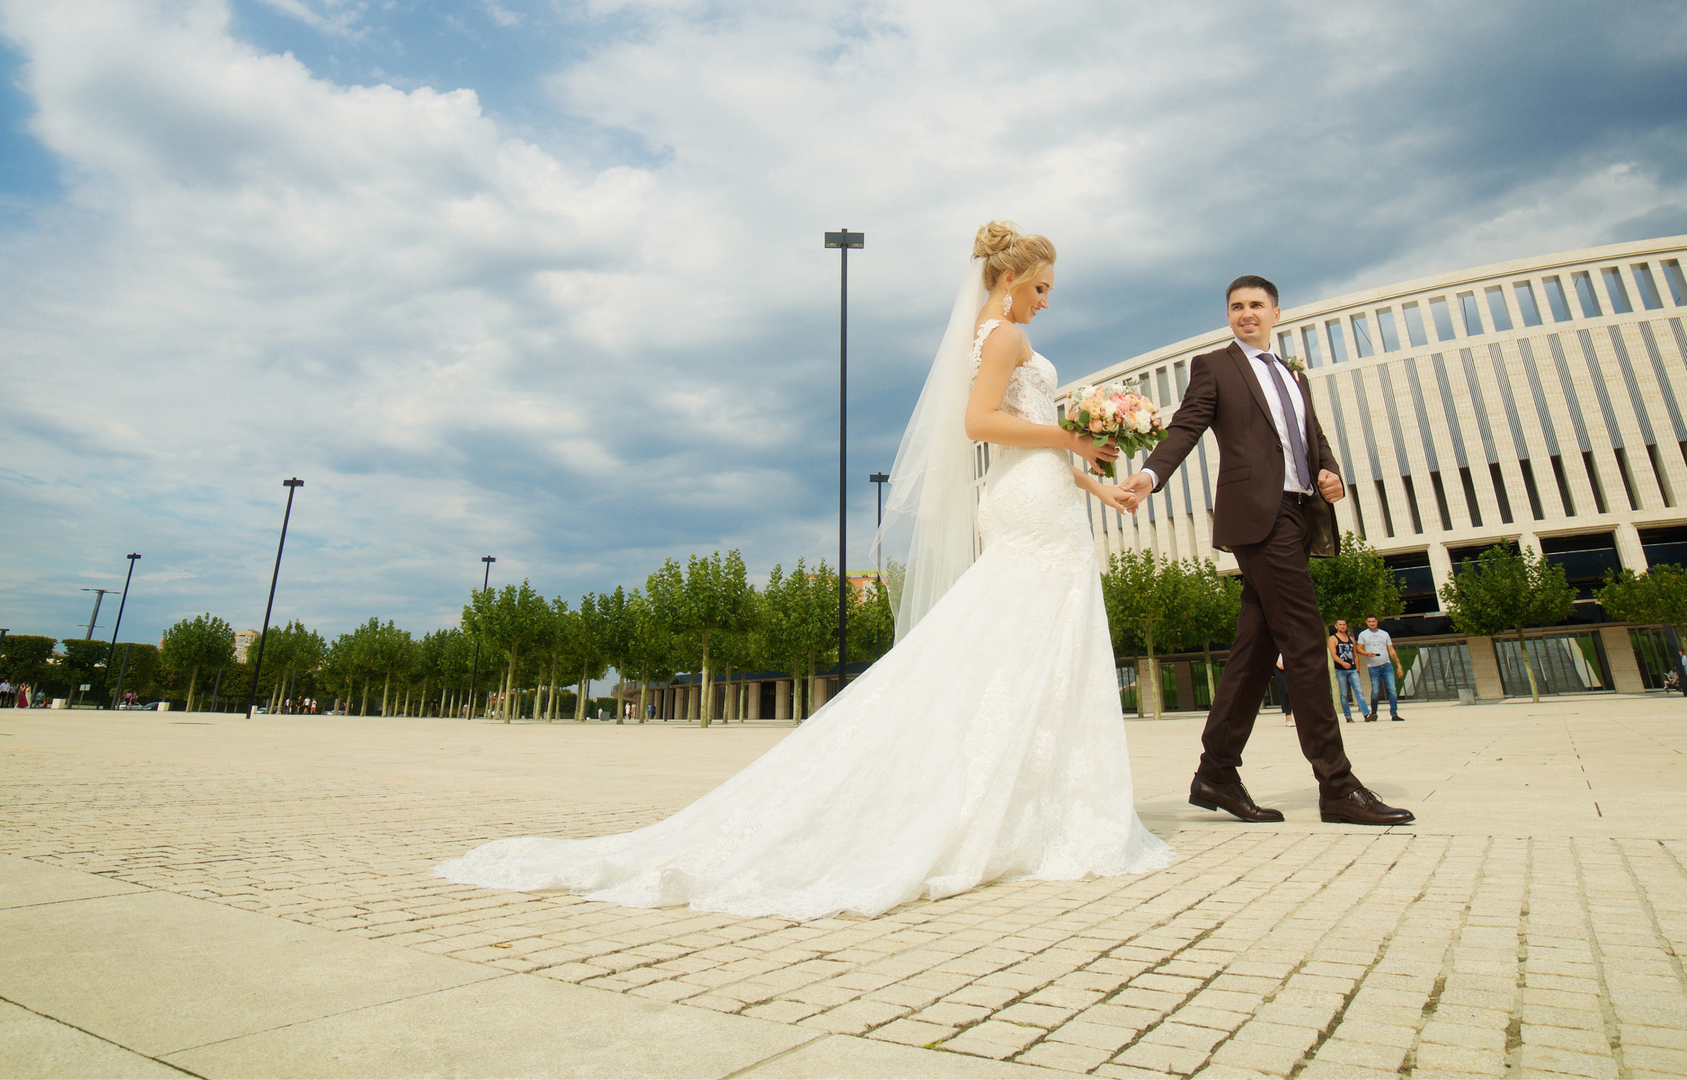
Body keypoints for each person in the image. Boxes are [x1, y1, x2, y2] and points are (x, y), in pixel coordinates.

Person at [439, 221, 1172, 918]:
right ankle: (1022, 805)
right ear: (1008, 278)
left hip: (1041, 491)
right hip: (1028, 503)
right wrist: (1070, 435)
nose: (1047, 300)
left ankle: (1036, 799)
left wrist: (1095, 478)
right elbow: (980, 426)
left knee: (1029, 648)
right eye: (1041, 287)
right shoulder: (1004, 335)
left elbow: (1029, 442)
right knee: (1014, 643)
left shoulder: (998, 335)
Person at [1120, 278, 1413, 826]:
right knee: (1304, 639)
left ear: (1277, 311)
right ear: (1228, 315)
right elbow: (1187, 425)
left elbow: (1312, 438)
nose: (1246, 313)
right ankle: (1337, 786)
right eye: (1236, 307)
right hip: (1259, 514)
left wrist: (1331, 475)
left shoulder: (1293, 373)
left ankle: (1216, 772)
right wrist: (1150, 475)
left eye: (1256, 305)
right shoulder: (1215, 366)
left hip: (1299, 514)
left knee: (1254, 651)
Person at [1357, 618, 1404, 721]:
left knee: (1392, 689)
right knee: (1375, 691)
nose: (1372, 623)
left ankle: (1394, 713)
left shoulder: (1384, 634)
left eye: (1373, 621)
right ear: (1366, 622)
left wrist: (1399, 666)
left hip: (1386, 665)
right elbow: (1358, 648)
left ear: (1377, 622)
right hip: (1373, 667)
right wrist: (1366, 654)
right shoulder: (1363, 634)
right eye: (1369, 622)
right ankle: (1374, 713)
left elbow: (1391, 649)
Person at [1330, 619, 1364, 723]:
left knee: (1359, 691)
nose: (1342, 626)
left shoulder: (1351, 639)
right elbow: (1333, 655)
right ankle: (1348, 716)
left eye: (1344, 624)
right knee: (1344, 693)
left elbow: (1355, 655)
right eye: (1340, 625)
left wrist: (1358, 669)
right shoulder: (1333, 639)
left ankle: (1366, 714)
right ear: (1336, 626)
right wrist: (1342, 663)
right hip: (1340, 670)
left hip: (1353, 669)